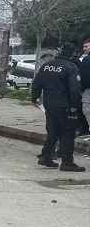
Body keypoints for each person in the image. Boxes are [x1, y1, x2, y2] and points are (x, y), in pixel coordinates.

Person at [31, 42, 85, 172]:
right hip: (65, 106)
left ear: (60, 51)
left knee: (53, 132)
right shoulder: (71, 67)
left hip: (49, 105)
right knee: (68, 133)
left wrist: (34, 98)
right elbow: (74, 90)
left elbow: (37, 83)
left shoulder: (46, 66)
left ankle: (46, 157)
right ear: (72, 54)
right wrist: (75, 106)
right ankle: (67, 162)